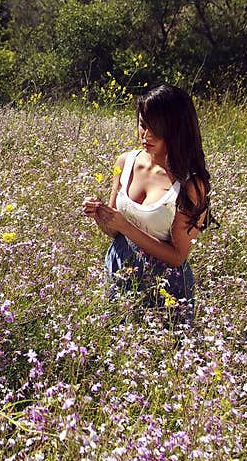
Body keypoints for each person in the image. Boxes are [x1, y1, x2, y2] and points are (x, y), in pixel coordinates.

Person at [82, 84, 216, 324]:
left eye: (157, 129)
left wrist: (125, 227)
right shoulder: (126, 162)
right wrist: (100, 214)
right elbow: (114, 231)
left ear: (176, 131)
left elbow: (177, 256)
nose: (147, 136)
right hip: (119, 271)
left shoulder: (190, 185)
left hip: (165, 288)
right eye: (143, 125)